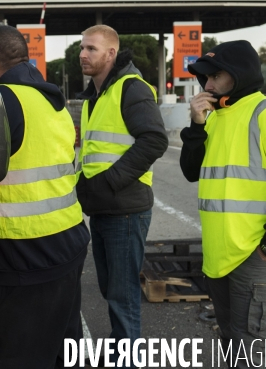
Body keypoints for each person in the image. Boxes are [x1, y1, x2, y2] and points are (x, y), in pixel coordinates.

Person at [179, 40, 266, 367]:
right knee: (232, 348)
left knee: (253, 354)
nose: (206, 84)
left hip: (253, 255)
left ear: (238, 75)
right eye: (204, 78)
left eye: (214, 76)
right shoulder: (215, 117)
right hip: (217, 256)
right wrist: (196, 126)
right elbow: (190, 171)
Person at [0, 25, 90, 369]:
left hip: (26, 259)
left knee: (10, 354)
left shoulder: (1, 102)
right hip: (66, 247)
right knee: (61, 353)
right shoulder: (52, 102)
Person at [76, 25, 168, 367]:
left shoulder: (131, 88)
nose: (82, 54)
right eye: (81, 48)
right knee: (111, 291)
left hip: (125, 210)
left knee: (123, 296)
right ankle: (120, 355)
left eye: (91, 49)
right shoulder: (94, 96)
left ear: (111, 53)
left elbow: (154, 139)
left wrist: (110, 182)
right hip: (103, 208)